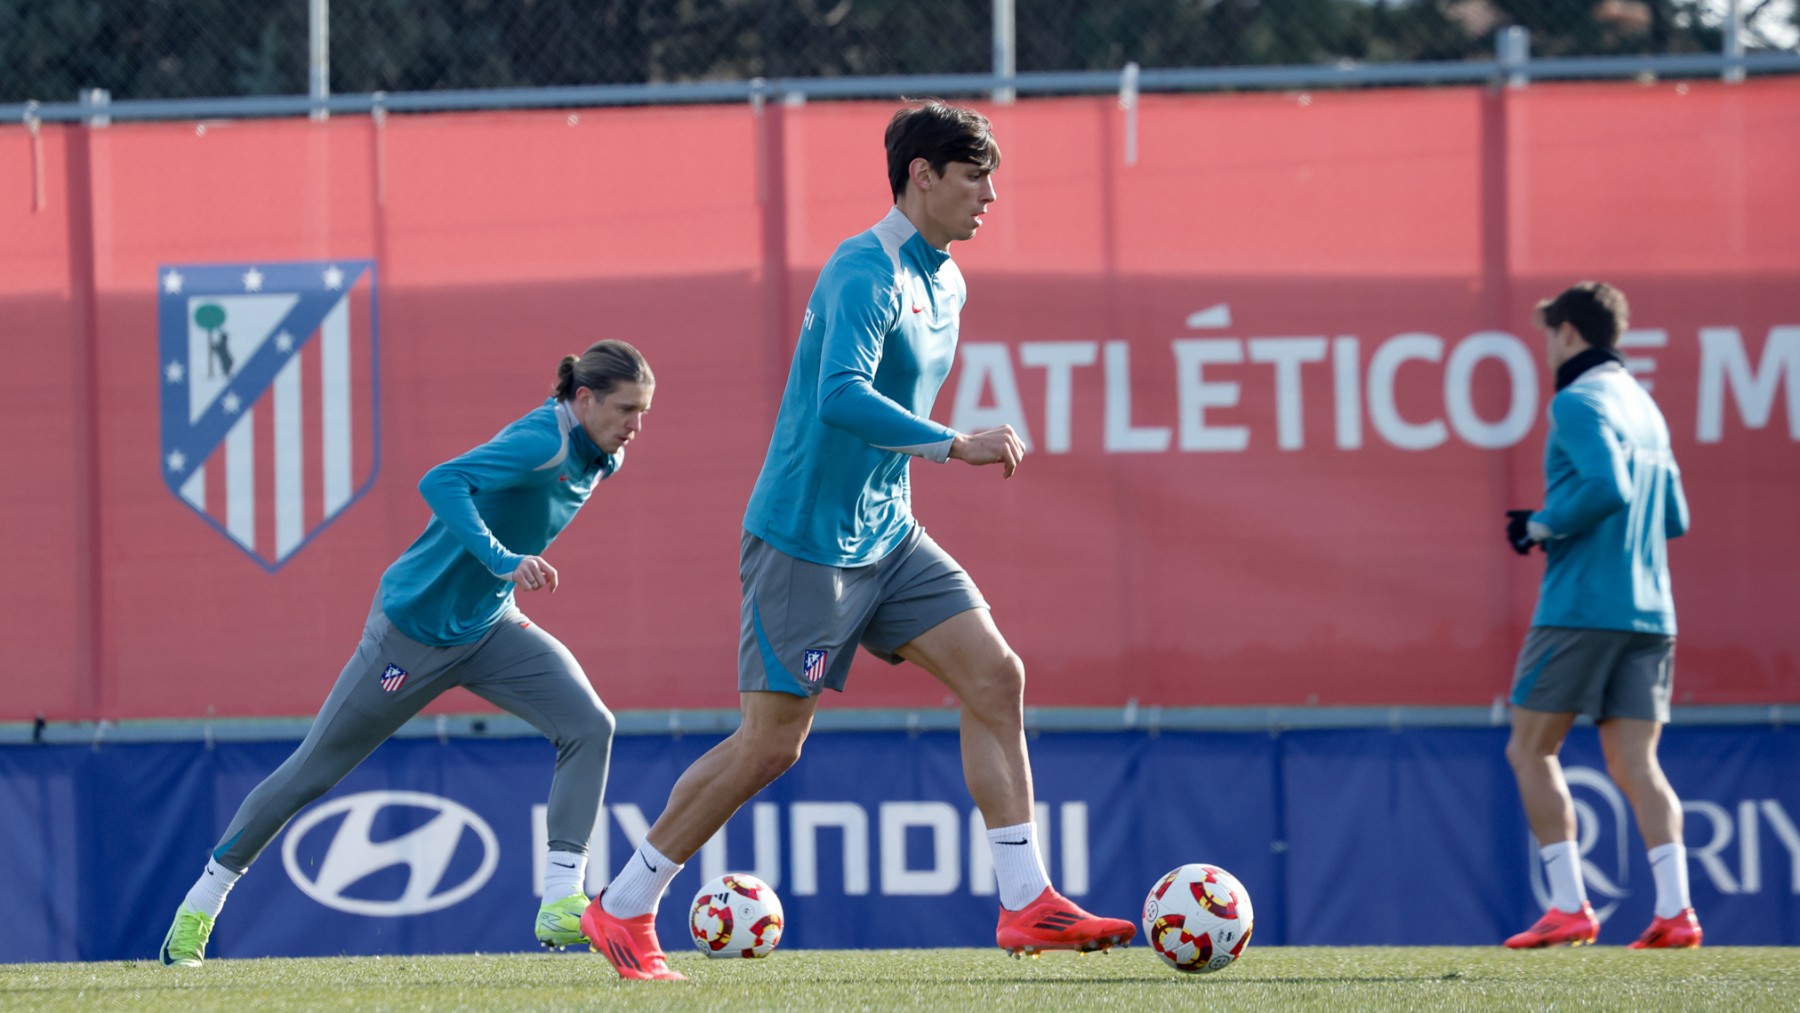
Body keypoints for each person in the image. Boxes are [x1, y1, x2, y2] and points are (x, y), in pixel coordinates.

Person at [579, 101, 1136, 981]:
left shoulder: (947, 280)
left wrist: (922, 461)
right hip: (806, 541)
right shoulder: (861, 271)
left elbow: (879, 413)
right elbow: (840, 395)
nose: (990, 195)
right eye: (973, 176)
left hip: (889, 535)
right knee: (771, 743)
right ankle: (625, 903)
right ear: (922, 175)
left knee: (996, 675)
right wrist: (954, 442)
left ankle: (1028, 903)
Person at [158, 340, 655, 966]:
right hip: (413, 632)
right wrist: (504, 560)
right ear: (584, 399)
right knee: (313, 772)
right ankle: (200, 905)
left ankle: (561, 901)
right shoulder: (545, 442)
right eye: (627, 409)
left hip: (489, 625)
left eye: (644, 411)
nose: (637, 425)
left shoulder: (599, 455)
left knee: (590, 725)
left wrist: (499, 578)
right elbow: (440, 480)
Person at [1501, 282, 1700, 950]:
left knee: (1530, 748)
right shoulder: (1646, 408)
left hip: (1581, 606)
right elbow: (1674, 516)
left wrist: (1541, 523)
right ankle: (1676, 912)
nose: (1547, 346)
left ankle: (1569, 905)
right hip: (1651, 610)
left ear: (1568, 333)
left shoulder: (1577, 400)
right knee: (1638, 763)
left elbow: (1608, 486)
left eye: (1548, 334)